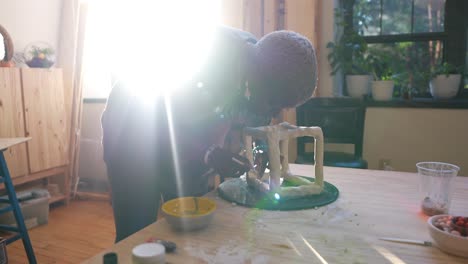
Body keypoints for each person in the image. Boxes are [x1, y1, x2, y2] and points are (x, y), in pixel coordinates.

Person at [101, 26, 317, 242]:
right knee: (136, 234)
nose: (275, 112)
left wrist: (261, 148)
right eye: (273, 102)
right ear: (258, 75)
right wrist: (209, 153)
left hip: (182, 131)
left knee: (190, 225)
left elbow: (249, 117)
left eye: (282, 107)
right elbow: (161, 123)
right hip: (131, 124)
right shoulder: (200, 57)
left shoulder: (262, 67)